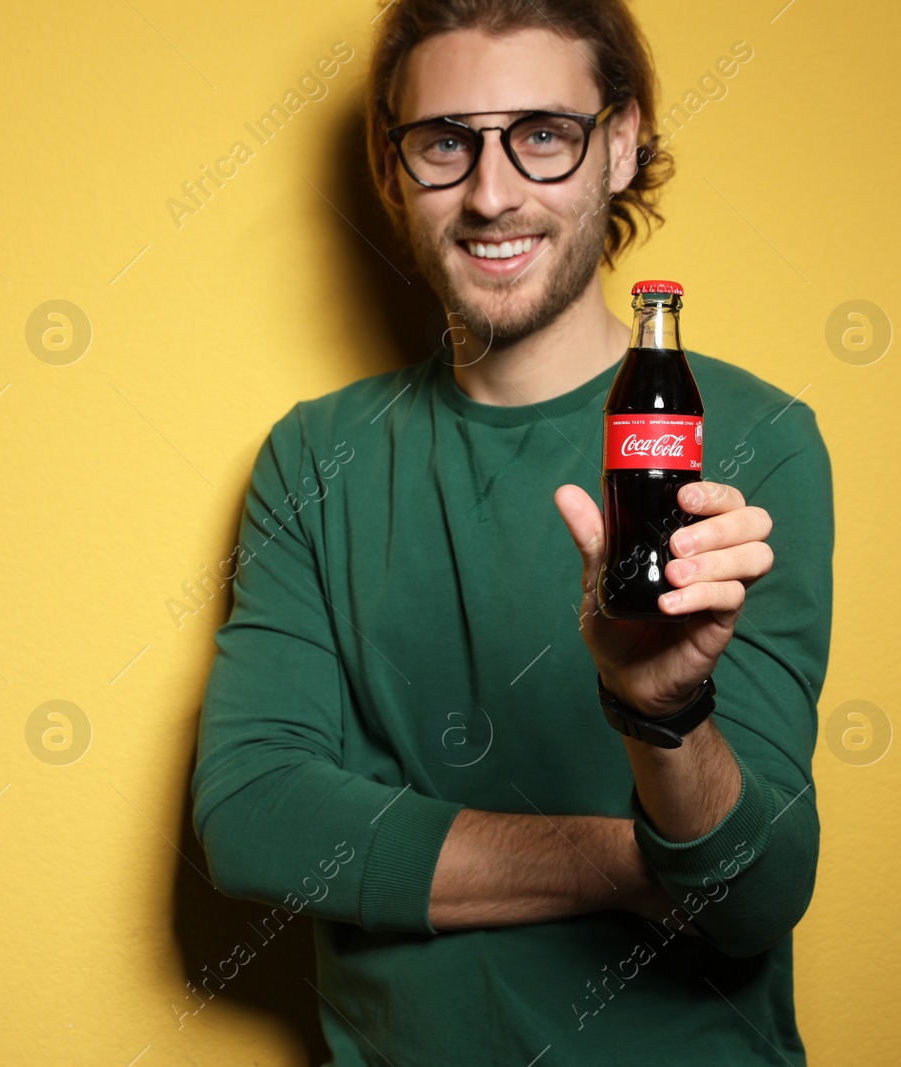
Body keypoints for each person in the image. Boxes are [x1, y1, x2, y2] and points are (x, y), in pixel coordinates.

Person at [190, 1, 833, 1063]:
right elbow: (256, 816)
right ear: (392, 170)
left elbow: (756, 893)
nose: (491, 195)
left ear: (619, 145)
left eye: (542, 133)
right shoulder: (316, 456)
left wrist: (666, 713)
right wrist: (647, 864)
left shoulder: (752, 439)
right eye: (445, 142)